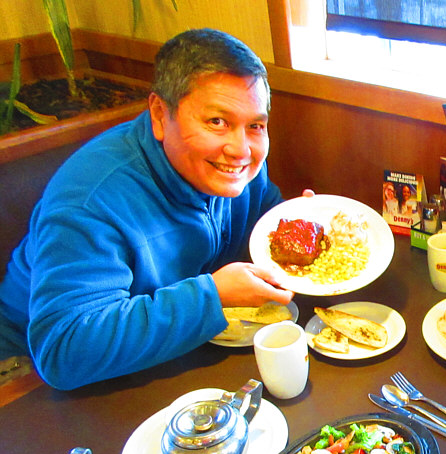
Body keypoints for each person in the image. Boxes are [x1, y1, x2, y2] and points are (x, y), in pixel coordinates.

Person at [0, 28, 296, 390]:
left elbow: (260, 219)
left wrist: (296, 227)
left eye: (255, 126)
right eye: (217, 122)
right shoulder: (92, 197)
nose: (240, 149)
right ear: (159, 114)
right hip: (29, 375)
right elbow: (63, 349)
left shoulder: (236, 165)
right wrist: (213, 296)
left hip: (167, 349)